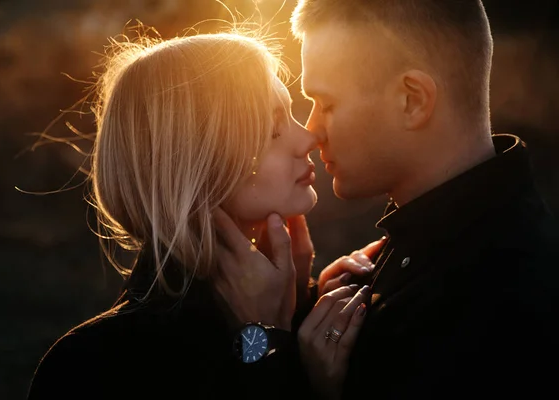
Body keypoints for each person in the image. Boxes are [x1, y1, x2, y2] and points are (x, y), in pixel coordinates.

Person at [218, 1, 559, 399]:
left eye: (327, 104)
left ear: (412, 100)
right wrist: (302, 305)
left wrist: (261, 337)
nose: (312, 132)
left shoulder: (494, 306)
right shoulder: (429, 249)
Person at [26, 30, 378, 400]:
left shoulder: (319, 316)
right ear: (198, 162)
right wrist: (266, 342)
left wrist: (301, 306)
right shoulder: (91, 367)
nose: (308, 138)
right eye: (273, 129)